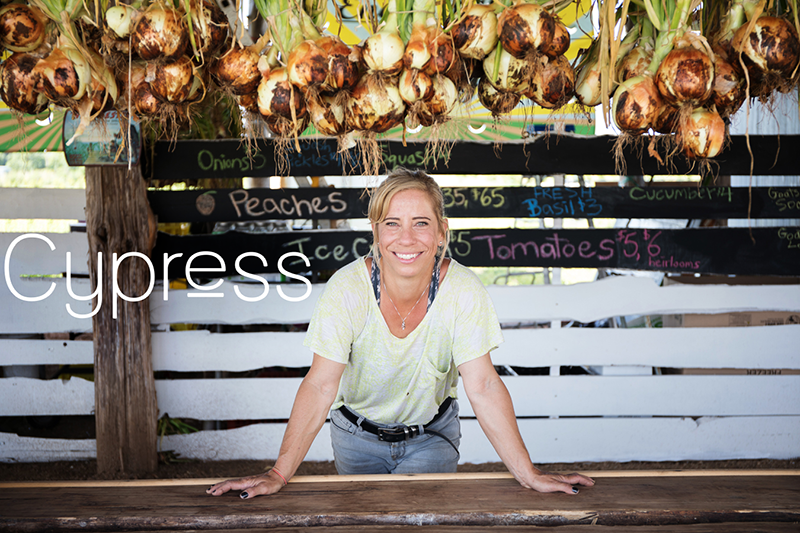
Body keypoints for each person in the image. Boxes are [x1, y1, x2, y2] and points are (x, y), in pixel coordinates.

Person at [208, 168, 594, 499]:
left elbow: (483, 386)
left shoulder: (462, 290)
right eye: (392, 223)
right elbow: (321, 385)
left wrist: (528, 473)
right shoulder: (347, 290)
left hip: (430, 436)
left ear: (442, 232)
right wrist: (279, 473)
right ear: (376, 233)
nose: (406, 238)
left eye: (421, 223)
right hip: (355, 435)